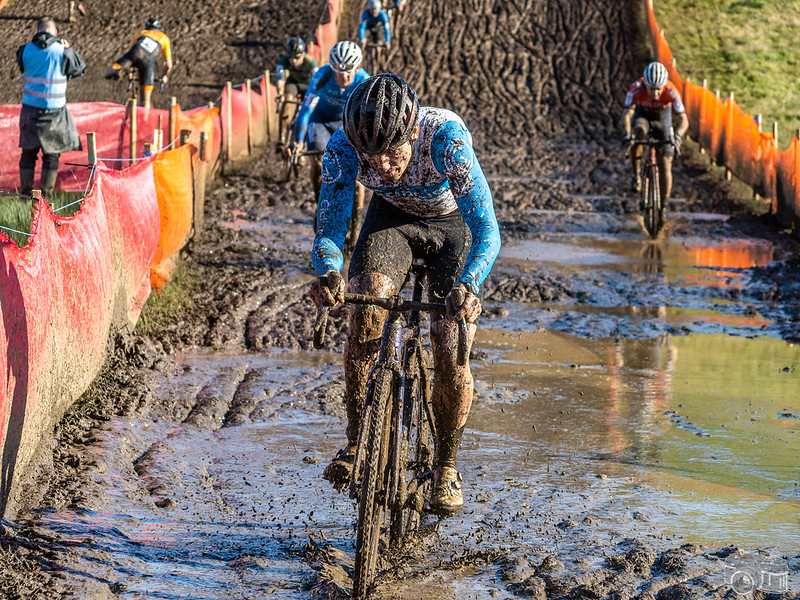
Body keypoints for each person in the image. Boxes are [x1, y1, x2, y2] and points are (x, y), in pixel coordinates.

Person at [309, 73, 501, 515]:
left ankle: (446, 466)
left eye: (392, 154)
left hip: (450, 226)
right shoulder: (342, 149)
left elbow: (487, 231)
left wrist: (469, 286)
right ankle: (357, 442)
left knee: (451, 340)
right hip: (391, 221)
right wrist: (330, 273)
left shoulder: (446, 139)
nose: (382, 168)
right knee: (366, 309)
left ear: (413, 133)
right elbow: (329, 232)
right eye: (369, 159)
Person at [16, 17, 86, 197]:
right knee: (51, 154)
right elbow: (79, 68)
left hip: (29, 110)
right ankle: (45, 198)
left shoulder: (24, 51)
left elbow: (24, 67)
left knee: (28, 152)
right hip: (54, 112)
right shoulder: (62, 51)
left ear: (37, 31)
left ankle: (25, 195)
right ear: (55, 32)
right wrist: (68, 49)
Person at [293, 40, 369, 204]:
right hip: (321, 119)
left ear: (357, 68)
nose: (343, 77)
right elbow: (306, 110)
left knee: (357, 172)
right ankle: (318, 202)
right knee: (318, 164)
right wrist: (299, 141)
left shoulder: (364, 80)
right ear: (332, 68)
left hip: (346, 123)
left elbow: (369, 116)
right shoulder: (321, 76)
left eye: (349, 72)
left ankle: (355, 225)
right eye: (338, 72)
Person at [621, 61, 689, 215]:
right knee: (637, 133)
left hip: (663, 118)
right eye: (651, 89)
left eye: (659, 89)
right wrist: (627, 134)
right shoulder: (636, 88)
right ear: (645, 84)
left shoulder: (671, 91)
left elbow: (684, 120)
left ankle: (663, 205)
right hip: (642, 114)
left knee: (665, 162)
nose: (655, 94)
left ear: (664, 85)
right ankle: (637, 174)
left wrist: (677, 137)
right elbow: (627, 115)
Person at [104, 18, 172, 110]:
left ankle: (115, 70)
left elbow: (132, 53)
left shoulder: (141, 34)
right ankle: (144, 117)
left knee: (119, 65)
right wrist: (163, 76)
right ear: (159, 29)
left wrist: (130, 74)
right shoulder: (164, 38)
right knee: (145, 100)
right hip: (148, 61)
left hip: (135, 52)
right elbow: (168, 65)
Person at [275, 37, 318, 148]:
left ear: (303, 54)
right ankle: (282, 138)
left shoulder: (310, 61)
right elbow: (280, 79)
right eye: (291, 57)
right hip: (293, 84)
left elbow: (318, 80)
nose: (293, 61)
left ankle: (304, 142)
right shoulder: (283, 61)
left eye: (297, 57)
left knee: (310, 111)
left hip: (308, 86)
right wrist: (280, 93)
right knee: (287, 100)